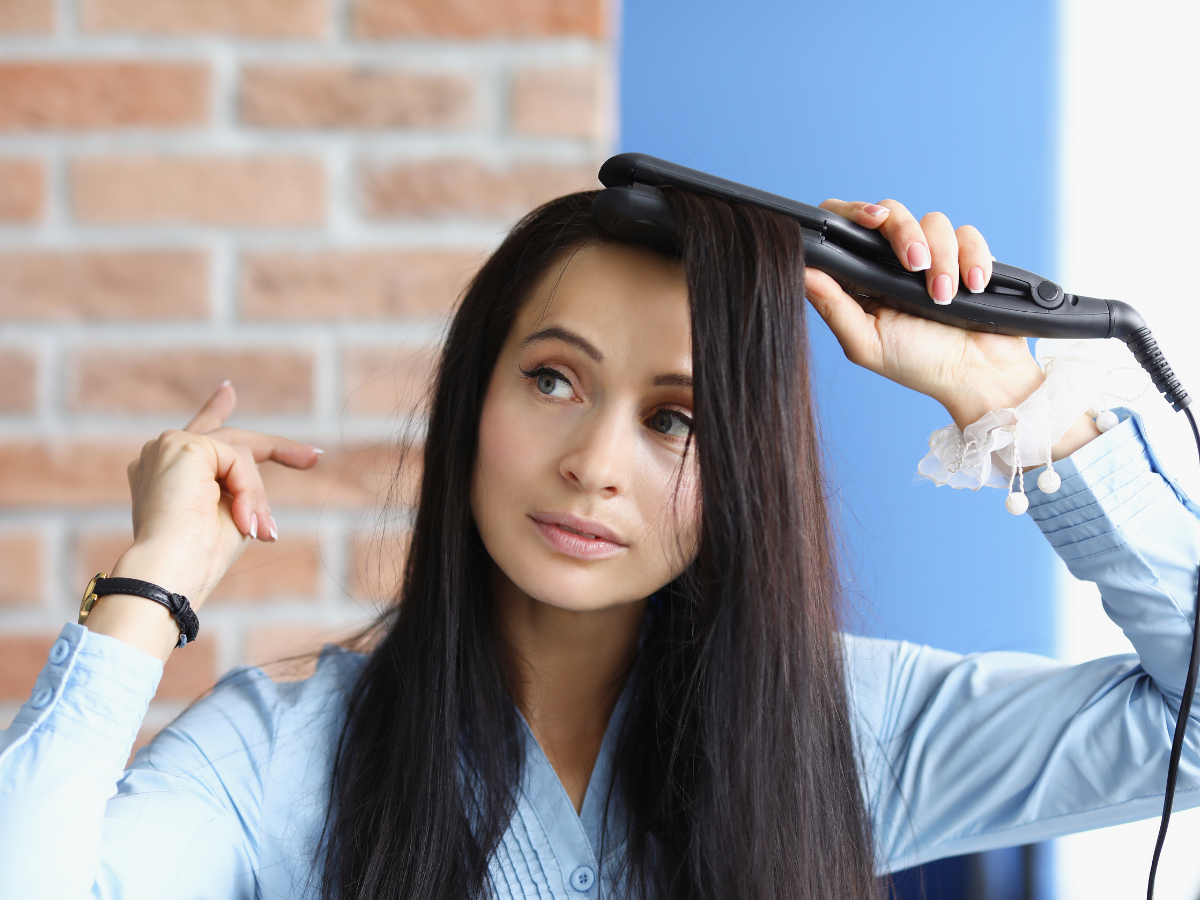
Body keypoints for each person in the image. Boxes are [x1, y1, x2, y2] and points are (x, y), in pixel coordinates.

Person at [0, 187, 1197, 900]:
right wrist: (146, 591)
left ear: (745, 476)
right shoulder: (281, 752)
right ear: (476, 402)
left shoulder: (839, 726)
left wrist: (1020, 412)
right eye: (554, 380)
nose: (596, 464)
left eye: (675, 418)